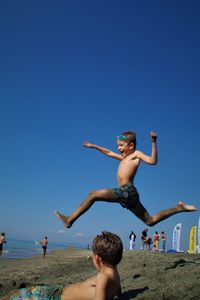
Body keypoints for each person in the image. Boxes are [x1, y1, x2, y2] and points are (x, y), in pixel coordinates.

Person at [55, 131, 197, 228]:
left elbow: (153, 161)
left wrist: (153, 142)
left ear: (131, 145)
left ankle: (70, 220)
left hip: (126, 191)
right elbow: (109, 152)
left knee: (93, 194)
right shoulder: (124, 158)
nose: (118, 148)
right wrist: (93, 146)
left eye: (121, 145)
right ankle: (179, 208)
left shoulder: (136, 154)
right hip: (129, 196)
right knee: (150, 221)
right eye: (118, 145)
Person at [61, 231, 123, 300]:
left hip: (56, 296)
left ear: (97, 259)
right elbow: (118, 292)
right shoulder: (115, 275)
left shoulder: (102, 277)